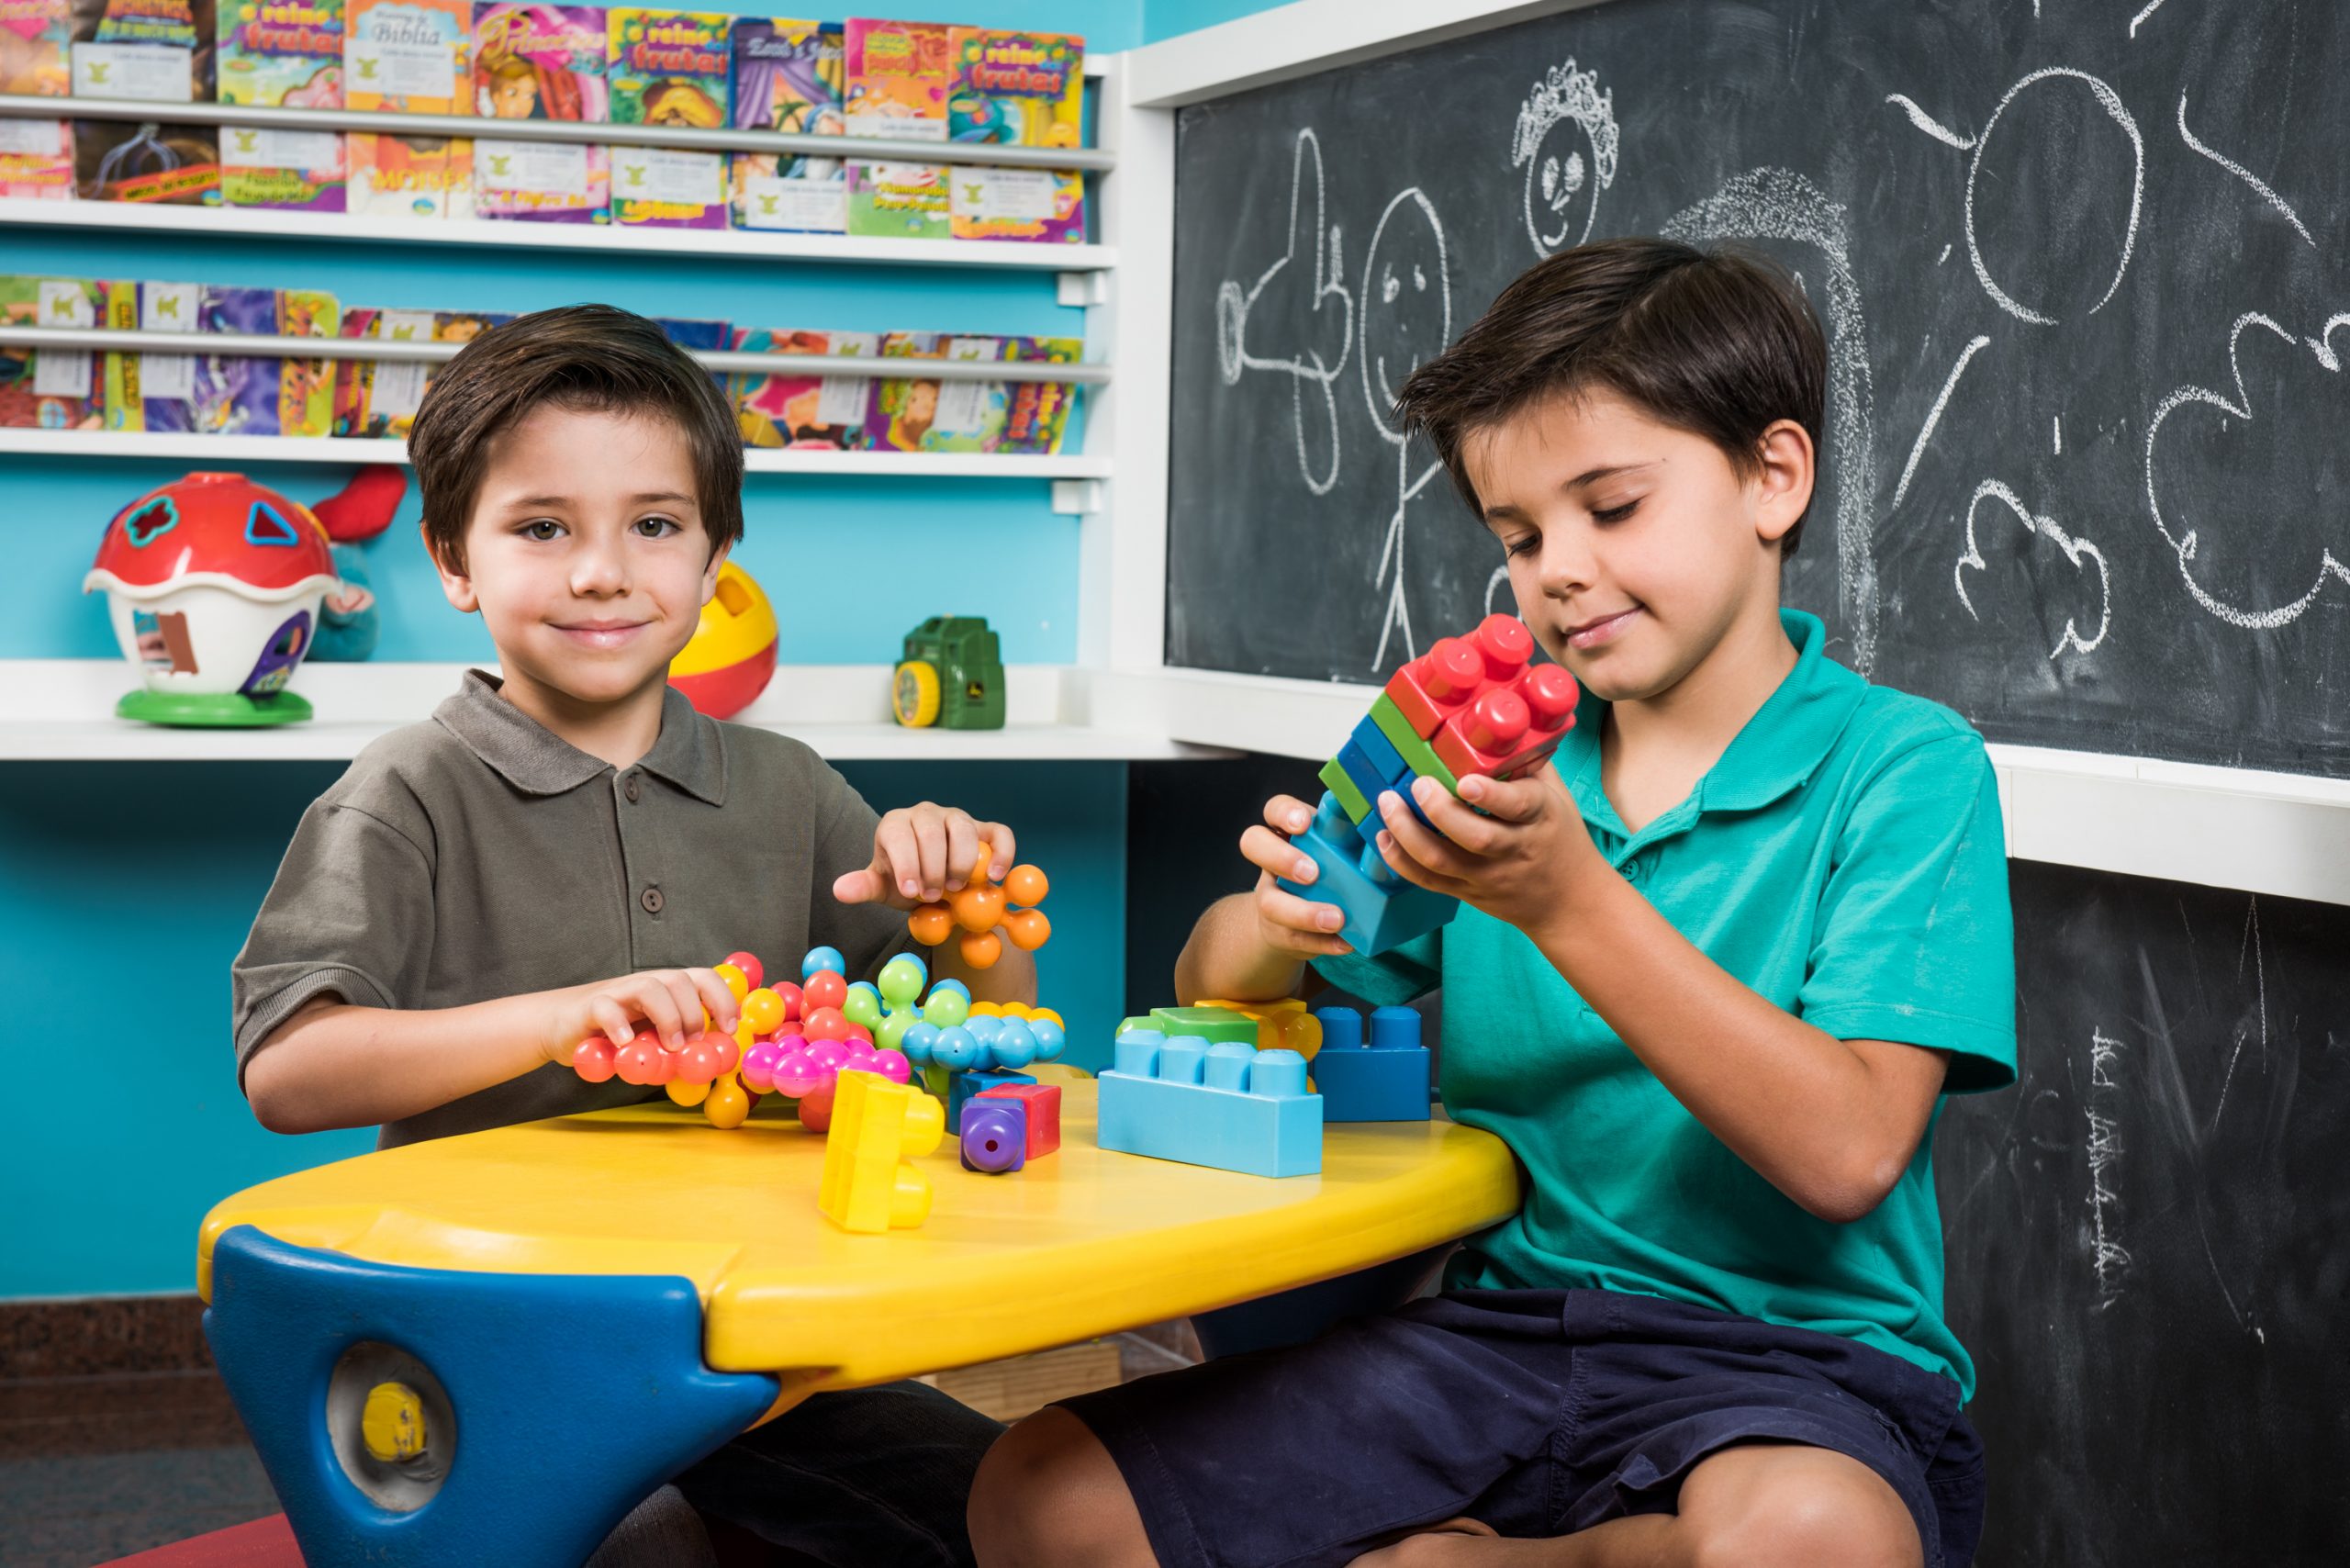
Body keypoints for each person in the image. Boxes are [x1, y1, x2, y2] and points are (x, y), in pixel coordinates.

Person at [969, 240, 2017, 1568]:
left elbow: (1848, 1152)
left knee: (1813, 1540)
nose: (1558, 570)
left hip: (1793, 1367)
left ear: (1773, 476)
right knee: (1040, 1492)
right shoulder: (1495, 770)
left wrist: (1566, 897)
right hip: (1510, 1331)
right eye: (1520, 537)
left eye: (1613, 507)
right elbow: (1215, 985)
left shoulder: (1903, 766)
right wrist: (1276, 918)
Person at [233, 303, 1018, 1568]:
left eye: (654, 526)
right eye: (543, 529)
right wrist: (560, 1017)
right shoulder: (405, 791)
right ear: (454, 556)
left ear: (715, 561)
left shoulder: (792, 787)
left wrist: (962, 915)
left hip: (758, 1347)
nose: (604, 571)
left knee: (1009, 1512)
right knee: (642, 1548)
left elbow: (975, 1044)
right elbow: (286, 1069)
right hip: (499, 1344)